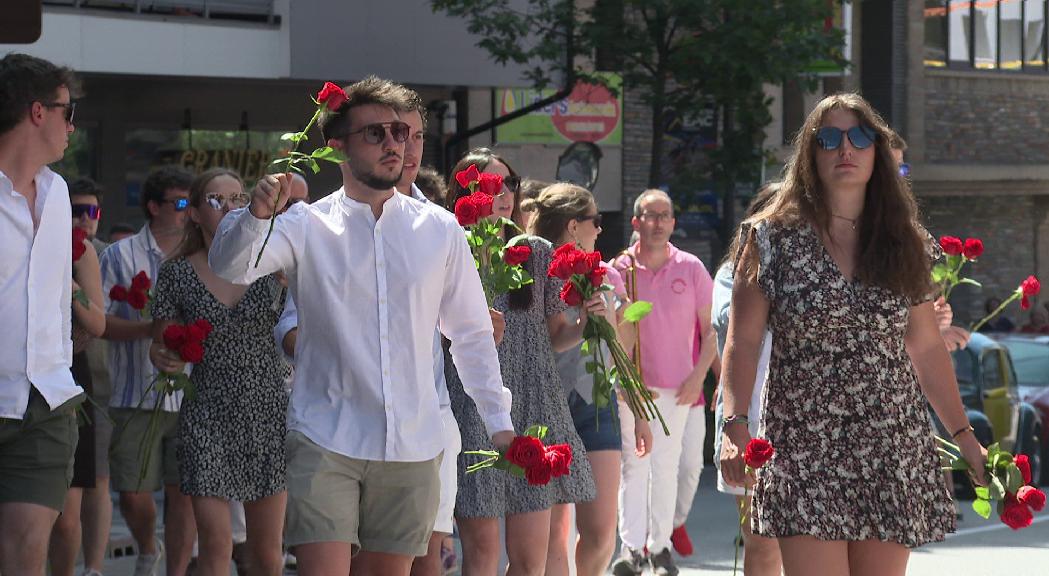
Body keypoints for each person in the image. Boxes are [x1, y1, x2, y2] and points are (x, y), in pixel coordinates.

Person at [209, 76, 515, 576]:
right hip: (325, 436)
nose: (393, 144)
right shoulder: (305, 223)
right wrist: (256, 216)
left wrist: (499, 424)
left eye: (400, 133)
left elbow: (472, 335)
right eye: (376, 134)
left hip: (413, 444)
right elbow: (230, 266)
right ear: (338, 147)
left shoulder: (439, 229)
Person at [719, 93, 987, 576]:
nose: (846, 148)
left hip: (890, 441)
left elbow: (926, 348)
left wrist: (964, 435)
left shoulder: (906, 240)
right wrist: (733, 423)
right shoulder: (768, 238)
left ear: (877, 152)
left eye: (860, 137)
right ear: (810, 154)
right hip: (803, 444)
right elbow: (743, 341)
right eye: (829, 138)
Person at [443, 150, 597, 576]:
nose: (504, 193)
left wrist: (586, 318)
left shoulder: (535, 251)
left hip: (533, 403)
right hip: (473, 405)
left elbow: (556, 337)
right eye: (492, 184)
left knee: (531, 562)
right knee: (483, 553)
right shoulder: (449, 248)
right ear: (466, 192)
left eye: (509, 183)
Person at [147, 168, 290, 576]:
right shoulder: (176, 272)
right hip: (206, 412)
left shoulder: (272, 263)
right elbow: (162, 337)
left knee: (265, 552)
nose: (229, 207)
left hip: (266, 411)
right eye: (216, 200)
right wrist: (164, 355)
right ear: (193, 213)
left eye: (237, 198)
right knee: (215, 544)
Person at [525, 183, 653, 576]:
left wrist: (639, 411)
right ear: (572, 225)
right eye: (595, 221)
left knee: (601, 532)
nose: (600, 230)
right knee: (554, 530)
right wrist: (582, 322)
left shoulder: (603, 275)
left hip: (597, 402)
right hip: (551, 404)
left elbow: (618, 349)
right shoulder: (538, 270)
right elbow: (549, 342)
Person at [0, 52, 85, 576]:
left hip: (46, 402)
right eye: (67, 111)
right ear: (38, 111)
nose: (71, 125)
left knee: (28, 548)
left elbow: (55, 294)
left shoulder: (58, 194)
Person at [610, 189, 717, 576]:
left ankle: (659, 547)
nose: (656, 223)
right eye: (648, 216)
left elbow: (711, 332)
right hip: (633, 388)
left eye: (664, 215)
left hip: (678, 389)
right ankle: (632, 549)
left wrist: (698, 377)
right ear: (635, 221)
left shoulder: (691, 268)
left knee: (668, 468)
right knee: (634, 469)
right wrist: (626, 381)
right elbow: (609, 330)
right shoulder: (617, 269)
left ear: (673, 222)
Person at [100, 165, 196, 576]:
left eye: (191, 203)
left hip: (192, 394)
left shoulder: (203, 256)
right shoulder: (118, 256)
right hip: (133, 392)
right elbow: (98, 322)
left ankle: (174, 571)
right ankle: (145, 545)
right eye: (179, 203)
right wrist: (150, 330)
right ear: (153, 206)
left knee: (184, 494)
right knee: (132, 492)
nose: (187, 211)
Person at [49, 178, 109, 576]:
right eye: (76, 211)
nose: (84, 221)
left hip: (71, 375)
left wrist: (69, 286)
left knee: (69, 511)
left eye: (93, 212)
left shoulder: (82, 252)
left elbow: (96, 323)